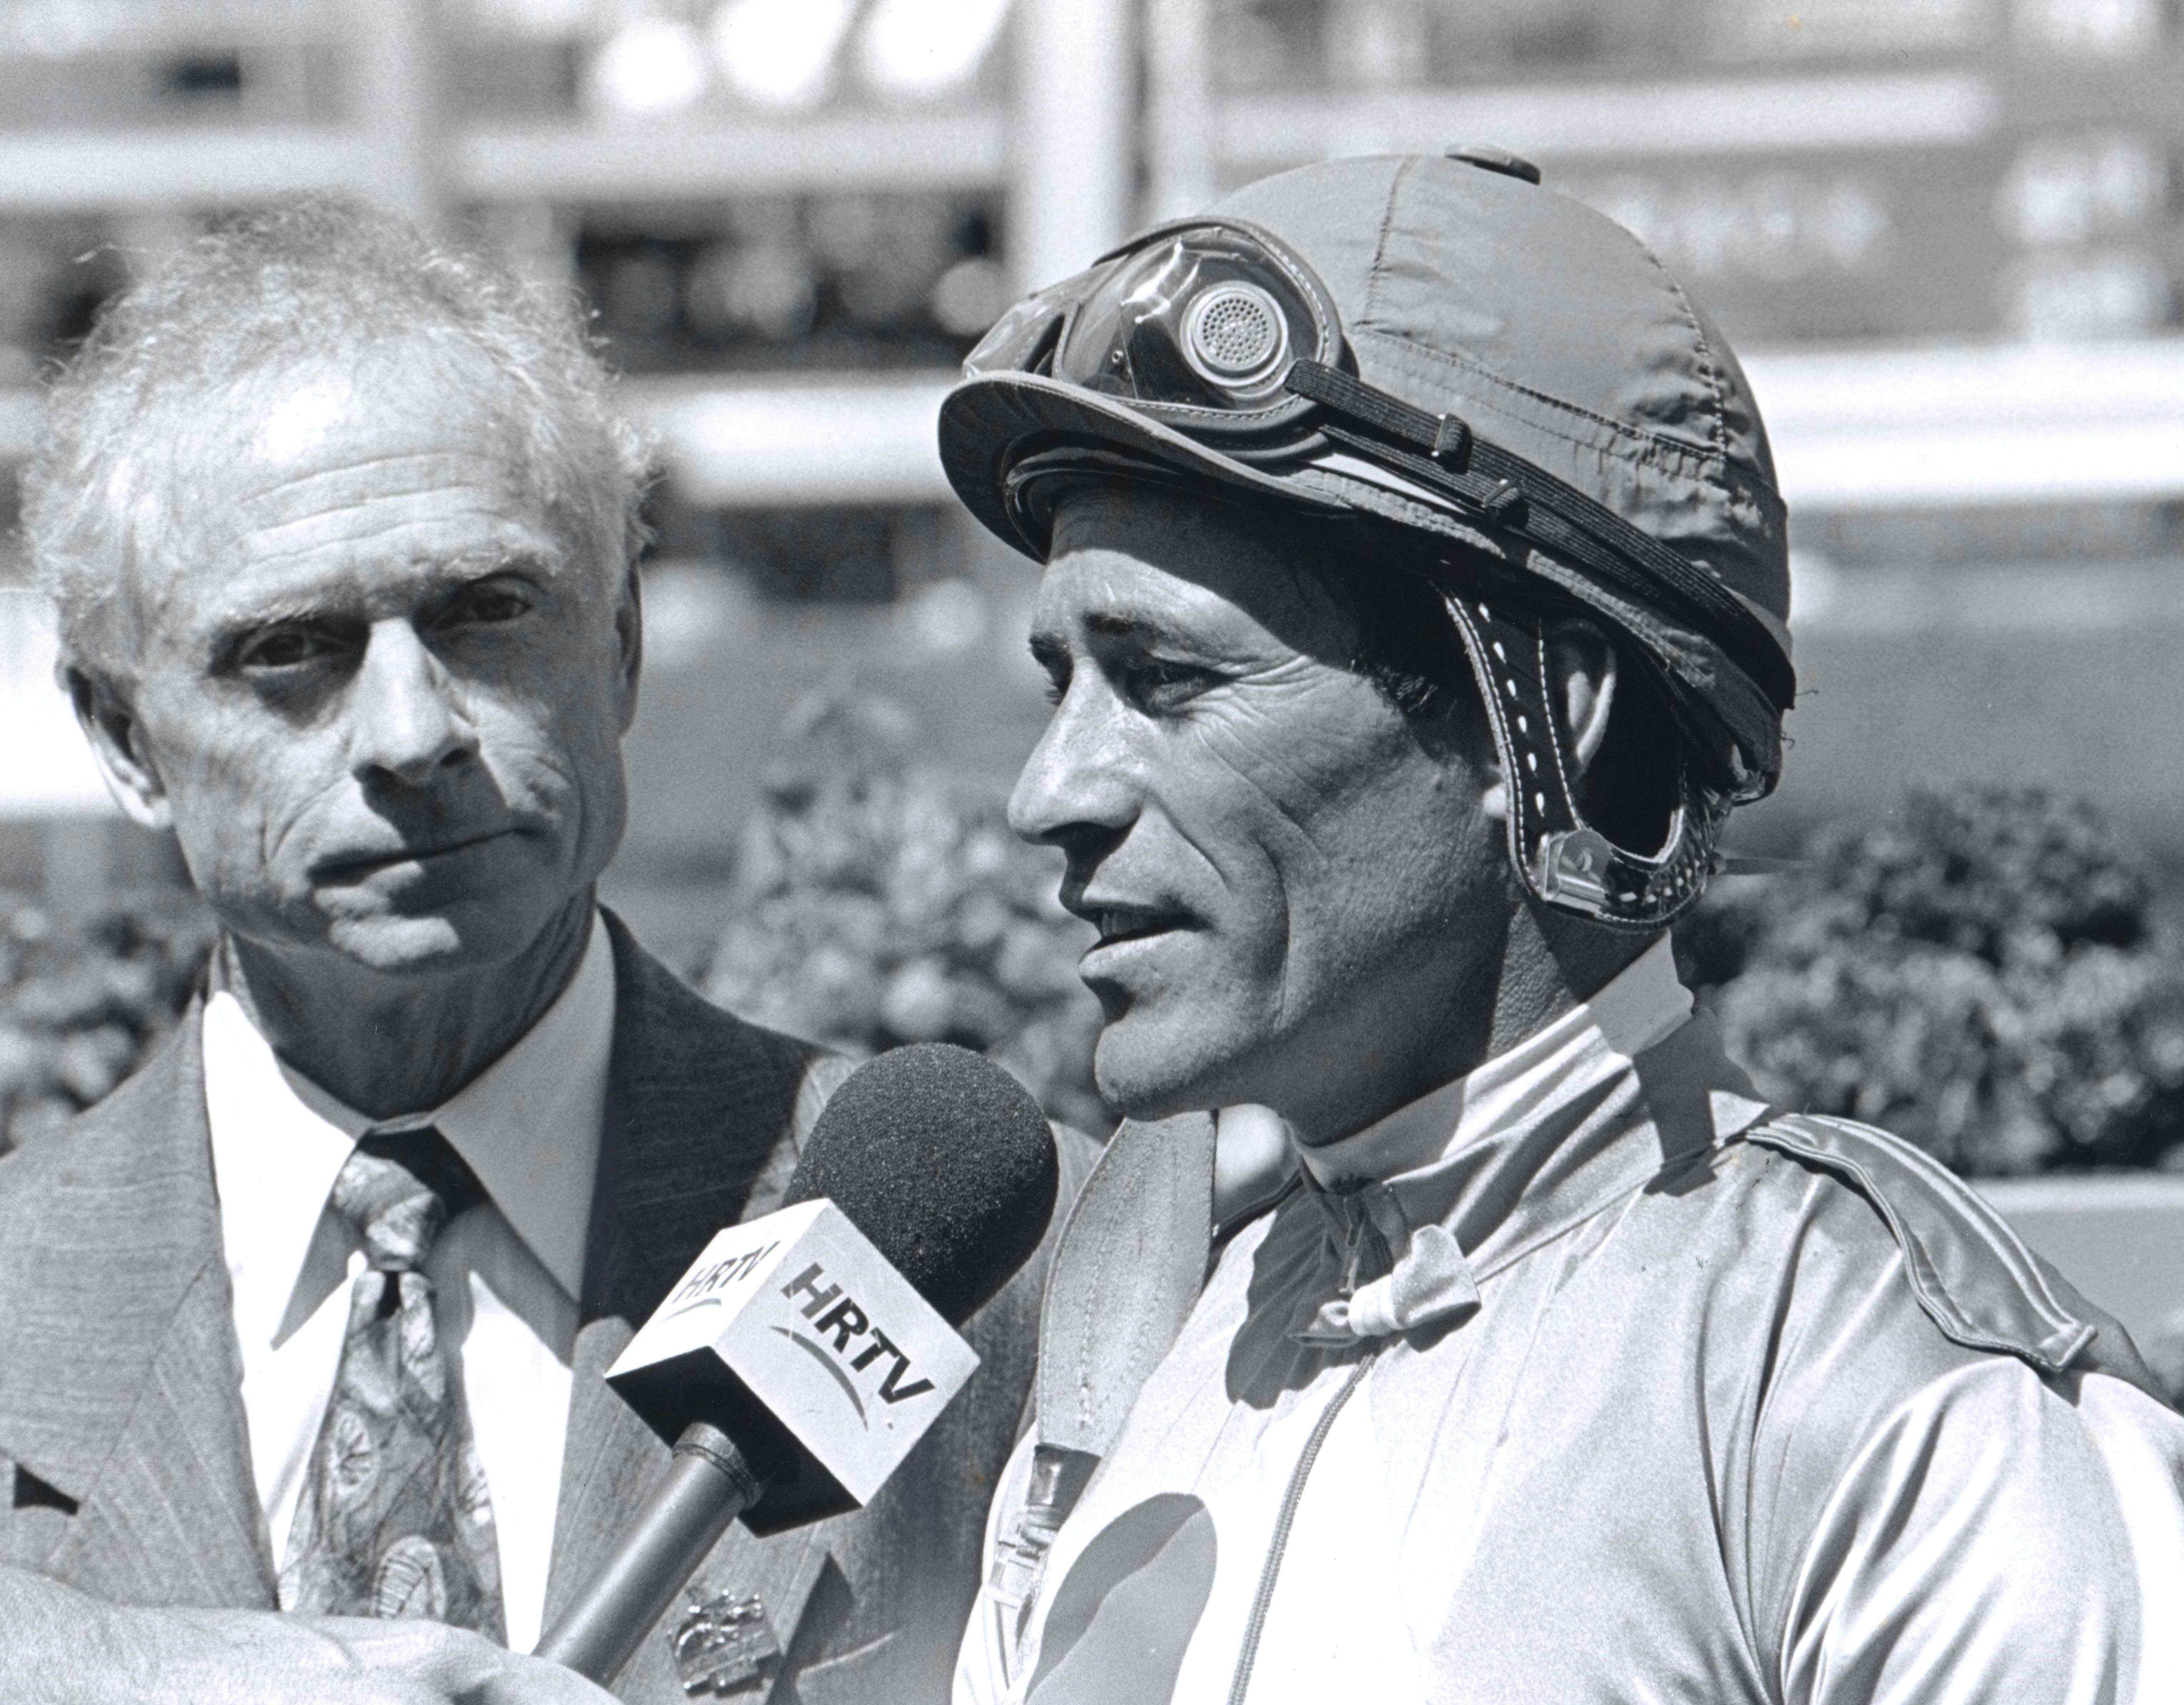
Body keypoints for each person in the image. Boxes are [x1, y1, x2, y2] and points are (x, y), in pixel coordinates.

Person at [936, 149, 2184, 1702]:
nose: (1052, 793)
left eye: (1169, 680)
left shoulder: (1864, 1375)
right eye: (1058, 684)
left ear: (1553, 715)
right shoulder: (1127, 1363)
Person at [0, 199, 1089, 1705]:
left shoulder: (1005, 1265)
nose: (413, 734)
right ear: (125, 737)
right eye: (291, 650)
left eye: (489, 611)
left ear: (622, 645)